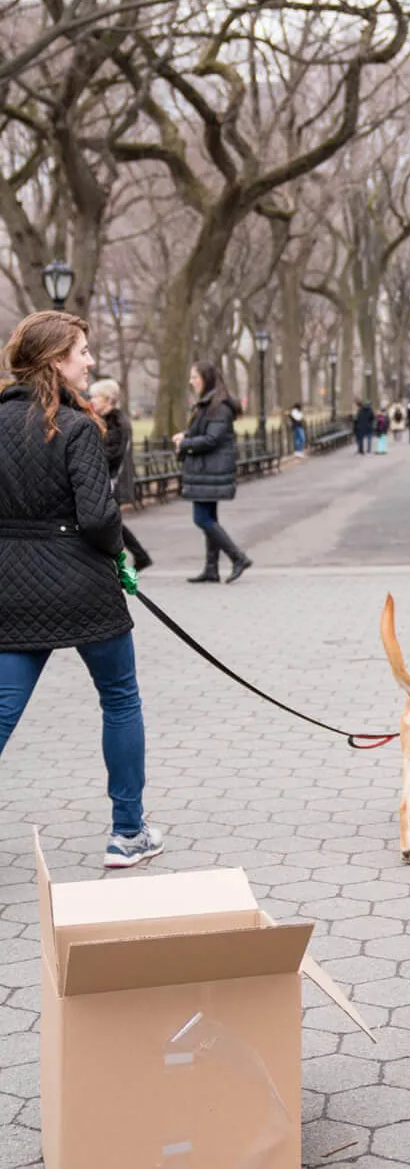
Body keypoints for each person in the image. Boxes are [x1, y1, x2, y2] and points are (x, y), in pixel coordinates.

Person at [0, 312, 162, 867]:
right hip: (81, 584)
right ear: (55, 361)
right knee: (119, 697)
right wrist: (119, 554)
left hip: (11, 587)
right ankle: (128, 833)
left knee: (3, 709)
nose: (90, 362)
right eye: (82, 352)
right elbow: (97, 516)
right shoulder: (76, 427)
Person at [174, 363, 252, 583]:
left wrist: (185, 444)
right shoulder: (210, 404)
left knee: (201, 518)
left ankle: (238, 557)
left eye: (195, 377)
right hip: (207, 469)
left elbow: (211, 439)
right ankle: (211, 568)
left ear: (206, 379)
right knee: (209, 518)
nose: (191, 381)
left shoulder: (218, 407)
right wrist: (185, 435)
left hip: (210, 469)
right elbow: (205, 431)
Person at [89, 377, 152, 572]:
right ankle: (139, 556)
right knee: (113, 523)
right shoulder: (108, 421)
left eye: (96, 397)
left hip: (111, 481)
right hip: (110, 480)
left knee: (110, 523)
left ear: (108, 399)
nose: (92, 401)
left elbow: (112, 454)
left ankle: (132, 559)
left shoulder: (115, 423)